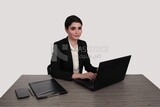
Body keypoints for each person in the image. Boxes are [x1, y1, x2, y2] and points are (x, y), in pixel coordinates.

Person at [49, 15, 97, 81]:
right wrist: (80, 75)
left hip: (79, 82)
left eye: (79, 28)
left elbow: (88, 66)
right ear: (66, 30)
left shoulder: (82, 44)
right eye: (73, 28)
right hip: (64, 82)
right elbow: (54, 72)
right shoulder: (58, 45)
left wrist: (100, 70)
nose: (77, 32)